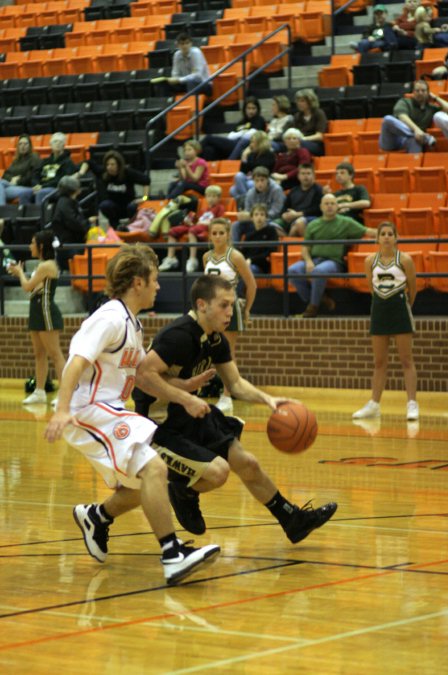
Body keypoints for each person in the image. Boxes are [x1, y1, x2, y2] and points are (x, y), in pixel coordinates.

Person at [44, 243, 221, 585]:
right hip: (89, 411)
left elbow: (143, 377)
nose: (158, 286)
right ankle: (172, 555)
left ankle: (96, 517)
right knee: (155, 468)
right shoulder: (109, 318)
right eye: (154, 280)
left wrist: (184, 390)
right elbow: (75, 362)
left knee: (144, 485)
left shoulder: (133, 325)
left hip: (109, 411)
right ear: (137, 283)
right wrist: (62, 410)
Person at [132, 274, 338, 542]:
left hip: (189, 413)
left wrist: (269, 400)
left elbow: (236, 383)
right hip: (159, 424)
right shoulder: (179, 336)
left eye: (233, 305)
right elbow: (143, 376)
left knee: (248, 463)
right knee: (218, 473)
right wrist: (185, 394)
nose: (231, 312)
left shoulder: (216, 339)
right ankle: (183, 490)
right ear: (202, 304)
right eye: (224, 305)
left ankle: (293, 519)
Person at [353, 222, 419, 421]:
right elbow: (371, 287)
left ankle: (412, 404)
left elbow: (413, 288)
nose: (387, 237)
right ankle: (374, 404)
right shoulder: (369, 261)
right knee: (379, 362)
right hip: (379, 311)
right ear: (377, 238)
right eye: (383, 234)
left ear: (396, 238)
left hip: (399, 309)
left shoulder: (405, 260)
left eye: (391, 234)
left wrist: (403, 305)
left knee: (406, 360)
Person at [288, 193, 377, 318]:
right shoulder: (313, 225)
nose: (329, 206)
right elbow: (305, 248)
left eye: (332, 203)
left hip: (334, 261)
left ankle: (312, 308)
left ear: (337, 206)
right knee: (292, 270)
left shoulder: (346, 222)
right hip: (314, 259)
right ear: (321, 207)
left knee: (318, 271)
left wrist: (387, 232)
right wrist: (308, 261)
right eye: (326, 203)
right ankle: (319, 299)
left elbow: (367, 231)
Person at [203, 217, 257, 412]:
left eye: (221, 233)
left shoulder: (235, 256)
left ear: (228, 235)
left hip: (229, 308)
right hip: (210, 310)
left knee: (227, 352)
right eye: (214, 233)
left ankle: (227, 396)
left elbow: (251, 284)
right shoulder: (206, 257)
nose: (217, 237)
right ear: (210, 235)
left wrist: (247, 309)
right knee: (209, 351)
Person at [8, 230, 65, 407]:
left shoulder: (46, 265)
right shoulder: (41, 265)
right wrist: (21, 274)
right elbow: (34, 288)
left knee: (55, 354)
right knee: (39, 354)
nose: (30, 246)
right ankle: (39, 392)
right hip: (36, 310)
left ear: (40, 246)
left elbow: (27, 286)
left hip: (46, 311)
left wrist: (19, 273)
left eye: (32, 243)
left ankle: (65, 394)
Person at [159, 184, 225, 272]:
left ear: (219, 198)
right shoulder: (204, 209)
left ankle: (192, 259)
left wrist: (205, 223)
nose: (211, 199)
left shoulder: (220, 208)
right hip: (197, 226)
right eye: (209, 196)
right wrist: (189, 221)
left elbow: (220, 222)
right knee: (172, 231)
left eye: (214, 196)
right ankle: (171, 258)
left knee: (192, 230)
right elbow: (196, 220)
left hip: (208, 228)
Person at [79, 150, 150, 230]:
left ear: (118, 165)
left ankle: (132, 227)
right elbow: (88, 162)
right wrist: (81, 173)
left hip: (128, 206)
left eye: (112, 164)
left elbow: (146, 180)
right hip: (113, 207)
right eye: (107, 164)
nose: (109, 167)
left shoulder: (127, 173)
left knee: (133, 206)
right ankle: (116, 226)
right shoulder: (104, 172)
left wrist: (144, 198)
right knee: (104, 205)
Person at [379, 79, 448, 153]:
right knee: (387, 119)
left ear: (428, 93)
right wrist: (416, 130)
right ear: (413, 92)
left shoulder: (431, 108)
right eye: (417, 90)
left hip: (414, 139)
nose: (420, 93)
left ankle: (414, 162)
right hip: (393, 139)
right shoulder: (404, 102)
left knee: (415, 140)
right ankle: (426, 138)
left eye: (423, 90)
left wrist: (435, 98)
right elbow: (403, 117)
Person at [200, 97, 266, 161]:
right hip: (232, 144)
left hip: (242, 146)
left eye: (253, 108)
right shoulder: (242, 122)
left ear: (257, 109)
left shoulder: (259, 120)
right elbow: (230, 136)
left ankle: (195, 151)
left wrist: (239, 133)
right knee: (209, 150)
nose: (251, 111)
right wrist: (242, 133)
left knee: (208, 138)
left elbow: (252, 133)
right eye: (248, 108)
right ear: (244, 109)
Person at [51, 175, 95, 271]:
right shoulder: (65, 203)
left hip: (70, 244)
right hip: (70, 246)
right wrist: (87, 223)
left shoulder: (67, 201)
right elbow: (74, 222)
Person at [229, 95, 294, 159]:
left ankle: (229, 162)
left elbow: (283, 136)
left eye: (274, 105)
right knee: (247, 143)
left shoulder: (289, 119)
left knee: (246, 141)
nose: (272, 107)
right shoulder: (274, 120)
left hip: (279, 144)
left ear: (280, 106)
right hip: (268, 141)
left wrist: (266, 138)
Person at [232, 166, 285, 243]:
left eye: (262, 180)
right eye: (257, 181)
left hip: (271, 220)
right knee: (236, 225)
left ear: (268, 180)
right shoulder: (250, 193)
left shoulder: (276, 190)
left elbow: (277, 211)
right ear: (253, 181)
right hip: (255, 221)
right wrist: (246, 215)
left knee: (272, 226)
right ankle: (235, 251)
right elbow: (248, 210)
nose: (260, 183)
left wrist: (261, 216)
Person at [230, 131, 276, 204]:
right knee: (237, 177)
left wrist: (250, 163)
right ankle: (248, 201)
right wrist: (244, 157)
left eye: (253, 142)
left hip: (263, 180)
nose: (250, 145)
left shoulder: (269, 154)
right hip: (251, 178)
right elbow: (243, 171)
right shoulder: (251, 154)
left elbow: (261, 169)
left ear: (260, 143)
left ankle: (247, 203)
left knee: (242, 187)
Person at [32, 132, 77, 205]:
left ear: (64, 145)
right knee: (24, 194)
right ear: (51, 145)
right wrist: (36, 185)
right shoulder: (45, 161)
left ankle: (40, 215)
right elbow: (35, 174)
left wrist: (42, 186)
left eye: (60, 142)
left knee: (40, 193)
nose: (58, 144)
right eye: (55, 141)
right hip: (41, 187)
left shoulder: (68, 162)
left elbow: (62, 180)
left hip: (56, 189)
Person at [279, 163, 323, 236]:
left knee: (298, 224)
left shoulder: (318, 190)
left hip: (311, 218)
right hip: (292, 218)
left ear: (314, 176)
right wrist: (284, 215)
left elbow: (317, 210)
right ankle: (286, 240)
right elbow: (285, 208)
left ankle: (296, 245)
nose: (306, 176)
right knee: (272, 226)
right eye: (303, 173)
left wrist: (297, 214)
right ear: (298, 176)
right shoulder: (293, 191)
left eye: (308, 173)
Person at [241, 204, 280, 275]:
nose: (259, 217)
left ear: (266, 217)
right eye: (256, 215)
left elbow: (270, 251)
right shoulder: (248, 233)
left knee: (248, 270)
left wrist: (252, 260)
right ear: (251, 217)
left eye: (262, 215)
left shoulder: (271, 231)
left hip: (261, 265)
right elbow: (244, 251)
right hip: (247, 263)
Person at [0, 135, 38, 206]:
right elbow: (5, 175)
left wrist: (18, 181)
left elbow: (32, 176)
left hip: (27, 187)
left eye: (25, 144)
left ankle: (2, 212)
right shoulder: (16, 160)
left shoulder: (34, 157)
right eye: (20, 144)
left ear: (30, 145)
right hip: (12, 186)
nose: (23, 146)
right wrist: (12, 179)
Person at [292, 89, 328, 156]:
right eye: (298, 101)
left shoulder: (319, 113)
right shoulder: (297, 116)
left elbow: (319, 136)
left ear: (310, 102)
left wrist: (303, 139)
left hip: (316, 144)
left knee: (297, 143)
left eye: (302, 101)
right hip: (300, 141)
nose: (299, 103)